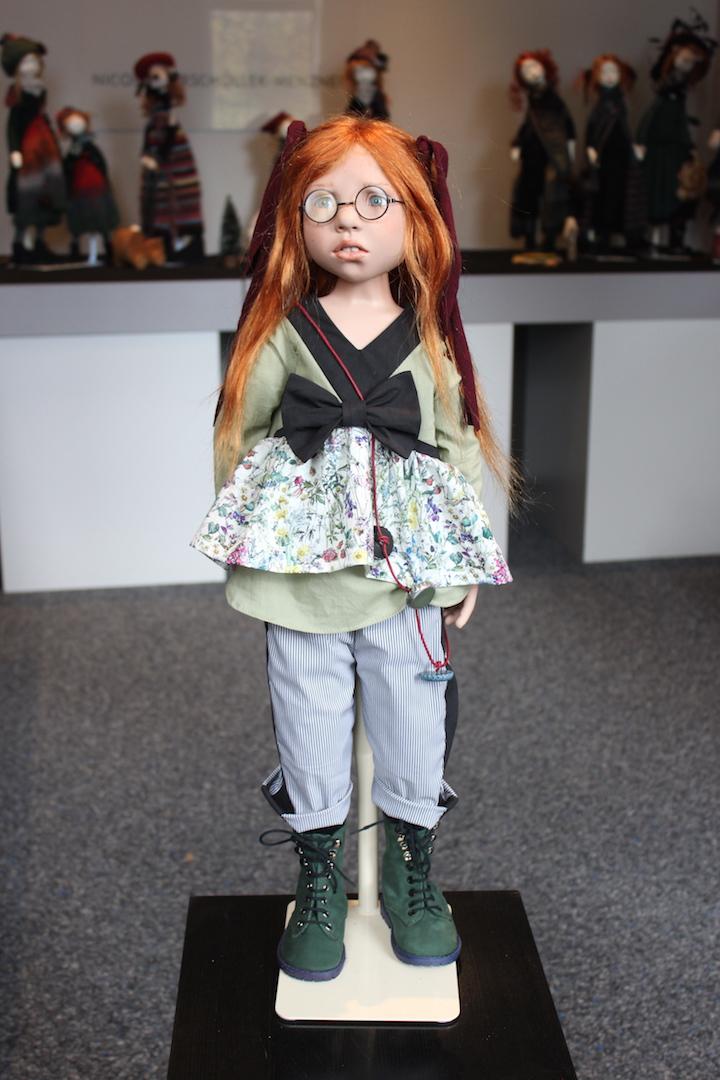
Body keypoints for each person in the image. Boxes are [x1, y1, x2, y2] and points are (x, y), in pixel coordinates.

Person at [191, 115, 517, 982]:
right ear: (293, 219)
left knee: (414, 723)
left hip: (404, 580)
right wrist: (242, 535)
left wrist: (463, 559)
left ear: (415, 217)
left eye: (375, 201)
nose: (348, 221)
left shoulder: (428, 337)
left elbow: (453, 444)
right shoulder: (284, 333)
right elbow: (240, 438)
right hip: (302, 584)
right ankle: (319, 876)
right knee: (308, 725)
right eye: (324, 202)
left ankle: (412, 871)